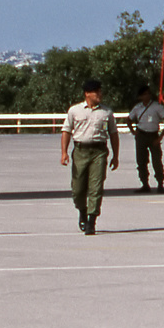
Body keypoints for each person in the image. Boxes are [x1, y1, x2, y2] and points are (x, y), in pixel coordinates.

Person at [61, 79, 119, 236]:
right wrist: (64, 152)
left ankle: (91, 221)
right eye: (96, 92)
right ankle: (82, 210)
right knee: (78, 188)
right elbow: (66, 131)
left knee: (96, 187)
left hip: (99, 151)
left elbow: (113, 134)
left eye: (100, 91)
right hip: (80, 151)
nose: (100, 94)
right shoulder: (75, 111)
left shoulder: (106, 112)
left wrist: (115, 155)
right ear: (87, 94)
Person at [127, 84, 164, 192]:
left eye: (148, 94)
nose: (147, 96)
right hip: (141, 135)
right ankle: (145, 184)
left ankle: (160, 184)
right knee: (141, 161)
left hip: (153, 135)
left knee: (156, 161)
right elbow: (128, 119)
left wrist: (160, 137)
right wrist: (133, 131)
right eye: (144, 94)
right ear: (140, 97)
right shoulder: (137, 108)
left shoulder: (157, 107)